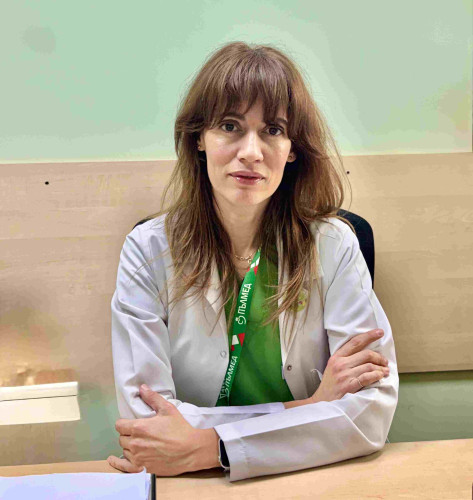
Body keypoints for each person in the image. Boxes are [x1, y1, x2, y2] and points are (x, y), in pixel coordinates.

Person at [107, 41, 399, 482]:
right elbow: (146, 422)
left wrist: (212, 446)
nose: (251, 152)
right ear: (199, 138)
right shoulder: (147, 251)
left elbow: (369, 413)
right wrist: (310, 407)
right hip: (199, 484)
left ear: (292, 148)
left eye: (273, 130)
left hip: (308, 478)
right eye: (230, 126)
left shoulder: (334, 244)